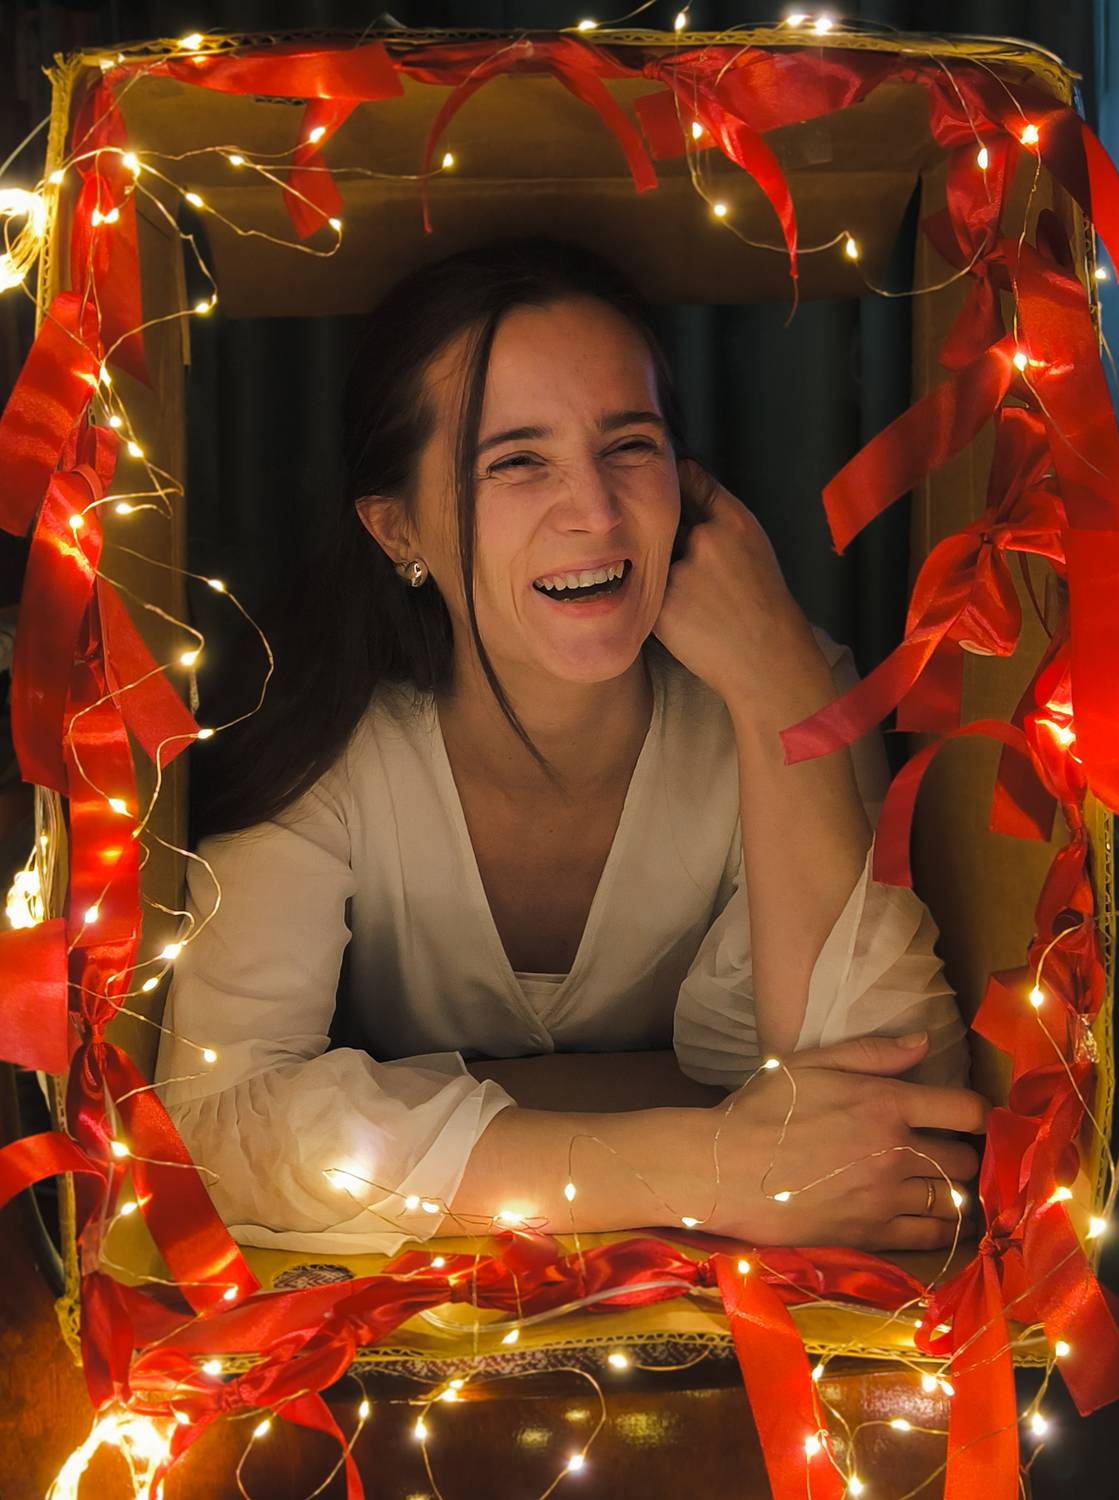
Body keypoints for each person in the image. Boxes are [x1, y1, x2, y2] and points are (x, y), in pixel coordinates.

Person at [154, 235, 982, 1259]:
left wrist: (778, 687)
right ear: (397, 530)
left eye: (629, 446)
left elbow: (902, 1137)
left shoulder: (785, 682)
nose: (593, 513)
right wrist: (708, 1162)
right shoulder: (318, 733)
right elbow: (215, 1125)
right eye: (515, 461)